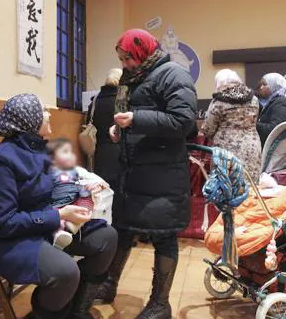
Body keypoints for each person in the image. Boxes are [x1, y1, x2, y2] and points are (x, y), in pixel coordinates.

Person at [0, 94, 118, 319]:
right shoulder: (1, 161)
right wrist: (60, 214)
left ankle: (77, 311)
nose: (49, 113)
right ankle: (44, 314)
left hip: (48, 228)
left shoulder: (40, 150)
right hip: (13, 241)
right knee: (65, 271)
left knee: (107, 238)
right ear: (29, 120)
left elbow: (61, 184)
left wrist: (85, 190)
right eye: (42, 110)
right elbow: (4, 223)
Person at [95, 29, 197, 319]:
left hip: (163, 172)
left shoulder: (172, 74)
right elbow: (127, 111)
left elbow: (183, 120)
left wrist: (136, 120)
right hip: (134, 170)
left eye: (128, 58)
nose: (125, 64)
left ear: (142, 51)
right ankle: (109, 283)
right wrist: (119, 129)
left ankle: (160, 304)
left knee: (164, 236)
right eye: (121, 59)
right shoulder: (134, 76)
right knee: (123, 228)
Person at [201, 69, 262, 182]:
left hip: (226, 150)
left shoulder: (218, 102)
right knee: (250, 185)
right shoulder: (254, 99)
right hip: (252, 147)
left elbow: (208, 129)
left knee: (228, 187)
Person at [47, 138, 108, 249]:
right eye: (65, 152)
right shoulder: (48, 172)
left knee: (87, 200)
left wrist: (97, 184)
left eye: (71, 152)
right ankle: (60, 234)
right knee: (56, 219)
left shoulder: (75, 171)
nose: (71, 155)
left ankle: (73, 225)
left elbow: (93, 179)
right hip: (57, 206)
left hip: (74, 200)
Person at [88, 68, 122, 200]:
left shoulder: (96, 100)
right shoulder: (124, 100)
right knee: (120, 191)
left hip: (100, 152)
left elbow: (89, 122)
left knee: (103, 190)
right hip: (120, 151)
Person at [256, 73, 286, 146]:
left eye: (265, 84)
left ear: (275, 86)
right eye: (260, 85)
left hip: (283, 152)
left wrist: (252, 125)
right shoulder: (270, 103)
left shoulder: (282, 103)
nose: (261, 87)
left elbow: (275, 130)